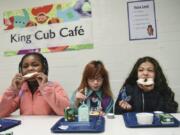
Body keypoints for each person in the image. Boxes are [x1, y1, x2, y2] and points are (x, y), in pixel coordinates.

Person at [0, 52, 70, 117]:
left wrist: (45, 88)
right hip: (25, 128)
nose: (30, 69)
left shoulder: (54, 86)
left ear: (43, 69)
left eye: (35, 65)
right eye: (25, 66)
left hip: (48, 128)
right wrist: (12, 90)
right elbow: (1, 112)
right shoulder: (21, 89)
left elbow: (66, 112)